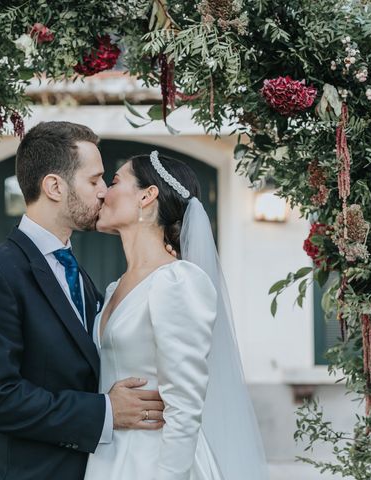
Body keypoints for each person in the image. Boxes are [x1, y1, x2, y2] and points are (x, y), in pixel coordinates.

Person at [0, 122, 168, 480]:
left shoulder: (78, 274)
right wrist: (103, 411)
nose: (104, 192)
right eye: (94, 180)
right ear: (55, 186)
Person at [84, 151, 269, 480]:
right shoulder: (114, 289)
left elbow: (184, 407)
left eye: (113, 182)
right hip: (108, 458)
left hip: (157, 463)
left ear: (147, 195)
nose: (102, 192)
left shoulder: (177, 282)